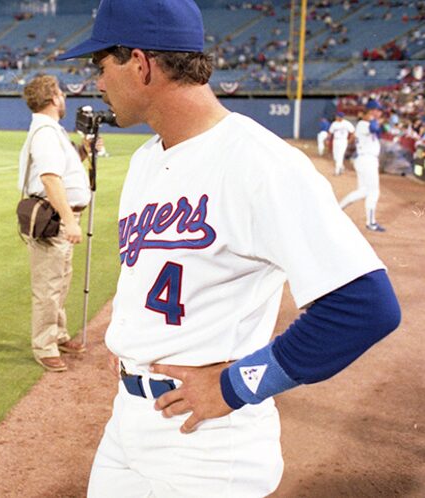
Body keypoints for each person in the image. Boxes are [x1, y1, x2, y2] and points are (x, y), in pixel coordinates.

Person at [58, 0, 401, 496]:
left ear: (141, 64)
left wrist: (237, 385)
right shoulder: (147, 160)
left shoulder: (260, 163)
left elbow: (365, 305)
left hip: (208, 445)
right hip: (127, 423)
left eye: (100, 65)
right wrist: (137, 336)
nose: (98, 81)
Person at [17, 74, 91, 372]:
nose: (64, 97)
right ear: (53, 97)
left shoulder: (51, 130)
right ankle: (45, 345)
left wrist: (85, 149)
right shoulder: (46, 132)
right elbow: (49, 177)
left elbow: (64, 169)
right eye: (60, 92)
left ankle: (57, 334)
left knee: (60, 280)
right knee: (49, 285)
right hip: (56, 217)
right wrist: (70, 222)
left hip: (60, 215)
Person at [340, 100, 387, 232]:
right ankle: (371, 223)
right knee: (374, 192)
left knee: (363, 191)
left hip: (366, 160)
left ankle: (338, 208)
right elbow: (374, 128)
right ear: (371, 110)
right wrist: (373, 118)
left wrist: (376, 120)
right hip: (367, 160)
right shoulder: (362, 124)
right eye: (377, 110)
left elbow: (379, 131)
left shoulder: (367, 123)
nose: (379, 113)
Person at [328, 111, 355, 175]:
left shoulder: (346, 123)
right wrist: (328, 139)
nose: (336, 117)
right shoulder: (334, 124)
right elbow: (330, 132)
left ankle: (337, 171)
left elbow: (353, 132)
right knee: (335, 156)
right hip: (336, 140)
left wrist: (349, 140)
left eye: (337, 116)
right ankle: (341, 167)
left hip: (343, 140)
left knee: (340, 155)